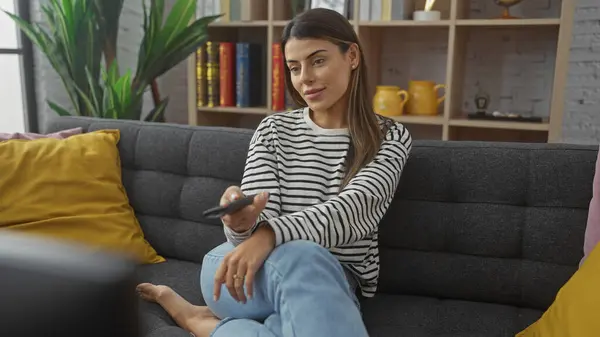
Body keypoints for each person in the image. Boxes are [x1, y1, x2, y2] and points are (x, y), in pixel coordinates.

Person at [136, 7, 412, 337]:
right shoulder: (274, 130)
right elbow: (250, 236)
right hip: (236, 271)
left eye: (318, 61)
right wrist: (243, 223)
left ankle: (202, 323)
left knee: (299, 275)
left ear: (352, 55)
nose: (304, 78)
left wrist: (269, 233)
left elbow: (353, 213)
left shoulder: (390, 136)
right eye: (295, 68)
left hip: (328, 283)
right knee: (302, 257)